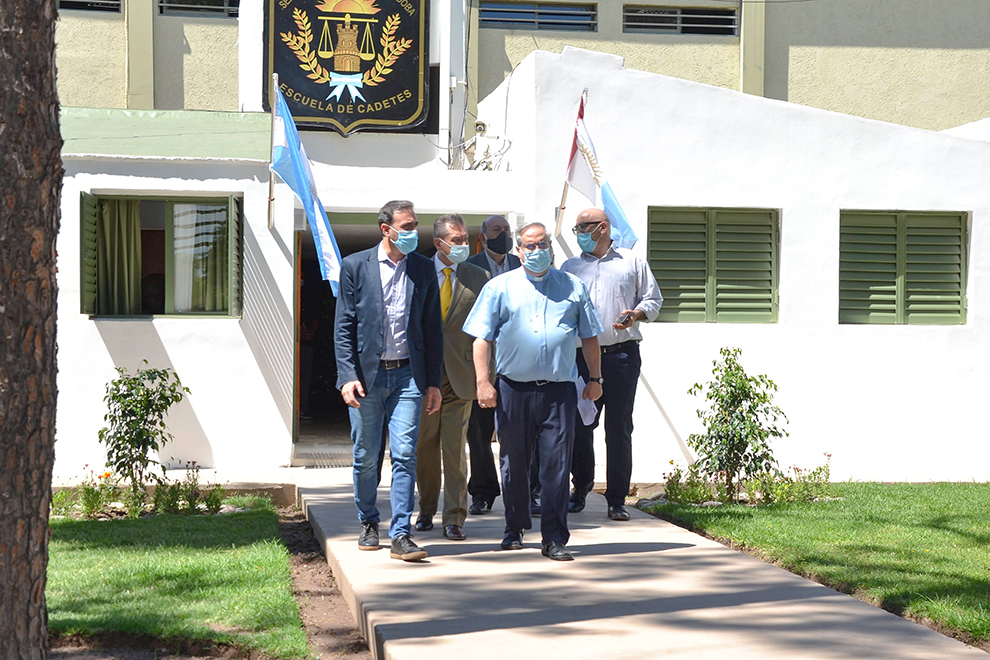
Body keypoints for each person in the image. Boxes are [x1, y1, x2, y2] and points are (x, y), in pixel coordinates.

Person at [463, 222, 604, 561]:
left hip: (559, 391)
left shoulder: (572, 286)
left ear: (551, 248)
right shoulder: (499, 287)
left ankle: (554, 537)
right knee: (513, 462)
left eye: (542, 245)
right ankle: (514, 527)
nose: (537, 251)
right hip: (513, 390)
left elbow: (589, 336)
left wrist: (596, 379)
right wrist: (484, 383)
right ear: (519, 250)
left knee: (556, 464)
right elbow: (481, 339)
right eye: (530, 246)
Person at [334, 200, 443, 562]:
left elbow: (432, 330)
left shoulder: (424, 269)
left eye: (415, 225)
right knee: (366, 456)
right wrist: (347, 376)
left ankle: (401, 533)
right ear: (386, 229)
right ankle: (368, 521)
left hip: (409, 375)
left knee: (405, 453)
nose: (414, 232)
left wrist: (432, 382)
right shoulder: (355, 267)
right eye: (407, 226)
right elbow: (344, 327)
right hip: (367, 377)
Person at [560, 208, 663, 521]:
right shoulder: (570, 266)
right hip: (579, 358)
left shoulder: (632, 262)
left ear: (602, 227)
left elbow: (653, 300)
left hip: (621, 356)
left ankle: (616, 499)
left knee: (618, 428)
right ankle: (581, 488)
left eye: (582, 226)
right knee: (580, 426)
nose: (577, 232)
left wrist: (636, 314)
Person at [414, 214, 491, 541]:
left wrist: (486, 377)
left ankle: (454, 517)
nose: (462, 244)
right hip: (423, 376)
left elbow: (486, 330)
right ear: (438, 243)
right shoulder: (416, 272)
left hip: (461, 374)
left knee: (455, 448)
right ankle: (427, 508)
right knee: (424, 447)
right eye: (455, 240)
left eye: (464, 238)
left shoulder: (479, 276)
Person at [463, 215, 521, 515]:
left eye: (507, 230)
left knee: (520, 433)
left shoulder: (522, 267)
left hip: (515, 362)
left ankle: (526, 492)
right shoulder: (468, 269)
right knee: (479, 434)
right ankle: (483, 492)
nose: (504, 234)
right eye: (497, 230)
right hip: (482, 362)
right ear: (483, 237)